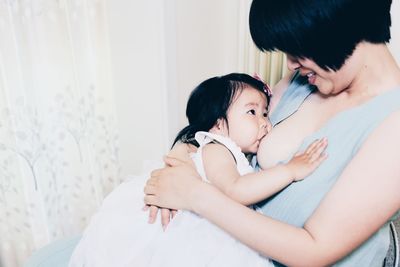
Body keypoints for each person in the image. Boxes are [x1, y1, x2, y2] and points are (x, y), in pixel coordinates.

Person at [144, 0, 400, 266]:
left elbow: (314, 250)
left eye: (297, 48)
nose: (290, 65)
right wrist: (180, 166)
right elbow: (221, 131)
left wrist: (195, 195)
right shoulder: (306, 79)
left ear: (340, 27)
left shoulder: (394, 125)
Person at [68, 73, 327, 267]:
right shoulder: (217, 148)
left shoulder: (226, 149)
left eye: (265, 113)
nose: (265, 123)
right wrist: (290, 170)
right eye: (252, 112)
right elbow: (236, 190)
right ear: (217, 124)